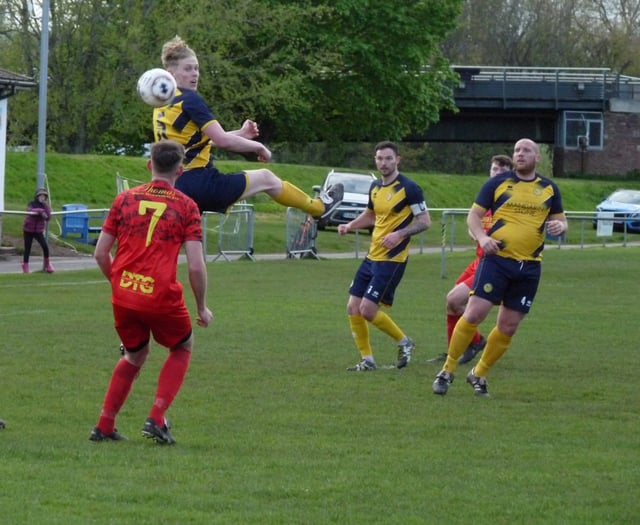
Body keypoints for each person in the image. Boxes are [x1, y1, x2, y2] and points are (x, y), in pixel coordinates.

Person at [89, 139, 213, 444]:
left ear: (149, 166)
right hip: (160, 294)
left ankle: (104, 425)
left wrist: (119, 284)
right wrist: (202, 307)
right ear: (180, 170)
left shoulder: (124, 200)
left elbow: (101, 254)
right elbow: (196, 266)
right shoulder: (186, 206)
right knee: (182, 346)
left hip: (124, 293)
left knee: (135, 355)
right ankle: (156, 418)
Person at [152, 35, 343, 220]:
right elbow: (222, 141)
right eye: (188, 69)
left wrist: (241, 134)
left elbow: (197, 142)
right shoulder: (191, 99)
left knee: (186, 242)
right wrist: (258, 147)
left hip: (175, 185)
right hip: (200, 182)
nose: (195, 74)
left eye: (196, 68)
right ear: (170, 74)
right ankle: (319, 208)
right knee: (266, 178)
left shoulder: (163, 104)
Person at [432, 138, 567, 396]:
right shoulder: (496, 184)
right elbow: (473, 216)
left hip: (529, 267)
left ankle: (479, 374)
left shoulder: (549, 189)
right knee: (473, 314)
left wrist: (560, 227)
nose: (520, 154)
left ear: (537, 158)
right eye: (517, 150)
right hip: (496, 261)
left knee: (508, 326)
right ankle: (447, 370)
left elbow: (561, 220)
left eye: (526, 150)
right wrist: (483, 238)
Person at [338, 141, 431, 371]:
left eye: (388, 158)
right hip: (372, 256)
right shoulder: (375, 186)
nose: (384, 163)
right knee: (352, 307)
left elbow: (425, 222)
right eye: (379, 158)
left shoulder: (410, 188)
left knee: (367, 310)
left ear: (398, 159)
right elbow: (370, 215)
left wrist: (400, 234)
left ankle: (404, 342)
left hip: (392, 259)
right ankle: (367, 360)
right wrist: (349, 226)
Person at [437, 154, 513, 365]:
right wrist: (477, 233)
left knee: (454, 299)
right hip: (478, 261)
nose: (496, 174)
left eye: (501, 170)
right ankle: (456, 350)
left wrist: (484, 235)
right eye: (494, 169)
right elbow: (474, 223)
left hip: (493, 263)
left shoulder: (510, 201)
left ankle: (475, 342)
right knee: (452, 305)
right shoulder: (487, 197)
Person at [22, 188, 54, 274]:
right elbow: (29, 210)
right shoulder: (32, 204)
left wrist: (47, 208)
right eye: (41, 195)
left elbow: (48, 218)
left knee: (45, 246)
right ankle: (25, 266)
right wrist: (40, 211)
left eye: (44, 196)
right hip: (28, 229)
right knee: (27, 248)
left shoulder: (45, 206)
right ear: (37, 196)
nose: (42, 197)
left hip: (38, 231)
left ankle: (47, 264)